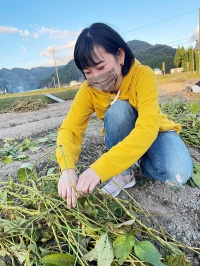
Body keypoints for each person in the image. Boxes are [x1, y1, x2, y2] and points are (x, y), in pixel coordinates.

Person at [56, 22, 193, 209]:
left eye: (101, 67)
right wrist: (67, 168)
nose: (95, 76)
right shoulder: (88, 90)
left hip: (154, 131)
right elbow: (70, 128)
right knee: (119, 111)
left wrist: (101, 168)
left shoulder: (142, 75)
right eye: (88, 72)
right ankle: (125, 171)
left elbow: (147, 129)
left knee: (178, 173)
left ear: (120, 55)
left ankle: (138, 161)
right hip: (124, 134)